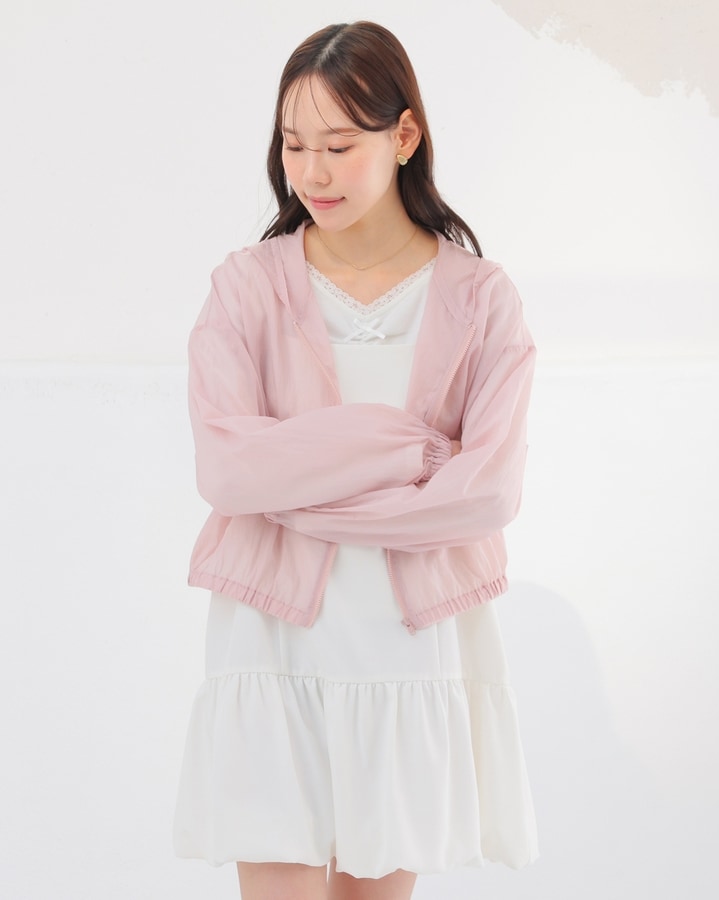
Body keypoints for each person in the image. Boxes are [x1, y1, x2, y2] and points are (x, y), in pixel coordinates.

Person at [174, 20, 538, 900]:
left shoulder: (481, 299)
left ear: (404, 136)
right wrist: (409, 451)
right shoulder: (245, 287)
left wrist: (295, 483)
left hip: (408, 647)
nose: (313, 172)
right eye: (293, 145)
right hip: (271, 638)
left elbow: (485, 495)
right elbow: (229, 473)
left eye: (338, 146)